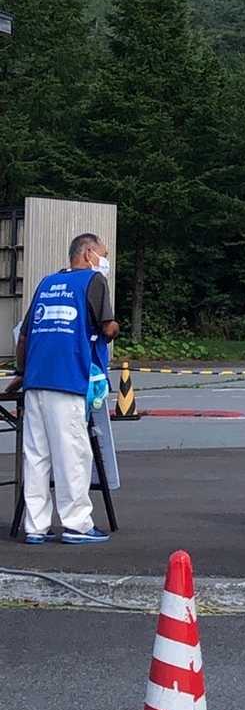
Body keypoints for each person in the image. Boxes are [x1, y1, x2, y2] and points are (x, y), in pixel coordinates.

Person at [6, 233, 119, 544]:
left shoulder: (46, 283)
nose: (104, 261)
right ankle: (76, 524)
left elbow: (24, 336)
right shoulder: (93, 281)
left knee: (36, 455)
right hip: (68, 379)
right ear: (88, 253)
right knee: (72, 454)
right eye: (103, 254)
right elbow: (107, 326)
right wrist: (114, 329)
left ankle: (35, 526)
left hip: (36, 381)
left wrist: (22, 372)